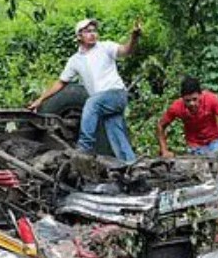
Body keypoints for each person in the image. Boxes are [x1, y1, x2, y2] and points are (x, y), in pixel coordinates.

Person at [28, 18, 141, 164]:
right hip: (103, 102)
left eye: (94, 31)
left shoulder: (105, 47)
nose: (92, 34)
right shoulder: (75, 60)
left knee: (92, 103)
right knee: (116, 134)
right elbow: (61, 82)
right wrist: (40, 100)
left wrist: (134, 37)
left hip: (116, 94)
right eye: (88, 31)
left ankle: (85, 146)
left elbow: (126, 50)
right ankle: (130, 164)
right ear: (79, 36)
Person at [157, 76, 218, 159]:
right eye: (188, 100)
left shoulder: (211, 99)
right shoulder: (176, 107)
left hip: (215, 140)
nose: (192, 103)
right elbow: (160, 125)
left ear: (200, 95)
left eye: (195, 99)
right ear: (182, 98)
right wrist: (164, 150)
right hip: (194, 145)